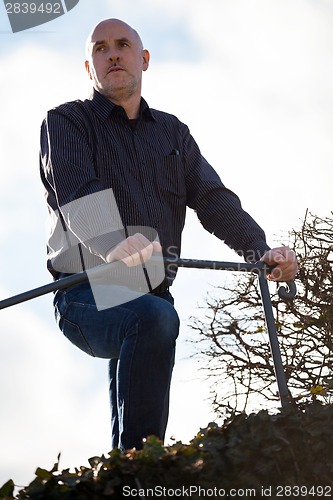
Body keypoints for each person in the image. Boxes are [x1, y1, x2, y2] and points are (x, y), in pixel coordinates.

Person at [39, 18, 298, 451]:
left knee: (152, 315)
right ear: (90, 68)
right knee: (154, 319)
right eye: (100, 49)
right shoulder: (65, 121)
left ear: (143, 59)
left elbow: (213, 198)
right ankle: (143, 469)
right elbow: (76, 186)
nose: (113, 54)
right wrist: (111, 242)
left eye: (123, 45)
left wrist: (262, 250)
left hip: (151, 290)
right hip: (82, 292)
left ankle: (133, 469)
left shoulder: (173, 133)